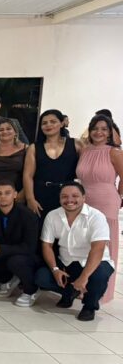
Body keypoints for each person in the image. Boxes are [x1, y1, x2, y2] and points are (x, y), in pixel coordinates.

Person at [35, 182, 115, 321]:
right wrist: (55, 269)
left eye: (75, 196)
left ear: (84, 198)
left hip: (95, 262)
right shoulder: (52, 216)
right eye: (64, 196)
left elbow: (98, 249)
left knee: (99, 277)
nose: (69, 200)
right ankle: (69, 292)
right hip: (67, 261)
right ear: (59, 199)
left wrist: (84, 277)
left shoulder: (96, 216)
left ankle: (89, 306)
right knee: (41, 277)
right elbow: (46, 245)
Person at [76, 113, 123, 303]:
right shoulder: (84, 150)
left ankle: (103, 290)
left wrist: (119, 196)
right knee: (86, 243)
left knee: (105, 245)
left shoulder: (114, 152)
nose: (99, 132)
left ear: (110, 132)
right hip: (84, 200)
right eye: (95, 128)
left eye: (104, 129)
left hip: (106, 200)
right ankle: (83, 285)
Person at [23, 109, 81, 219]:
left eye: (53, 121)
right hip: (40, 196)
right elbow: (28, 175)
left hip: (67, 196)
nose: (48, 125)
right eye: (44, 123)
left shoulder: (76, 144)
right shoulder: (34, 148)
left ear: (62, 123)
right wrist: (30, 199)